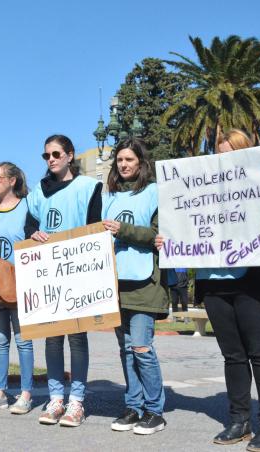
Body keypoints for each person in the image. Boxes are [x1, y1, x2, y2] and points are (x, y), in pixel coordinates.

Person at [156, 129, 260, 450]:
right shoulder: (198, 191)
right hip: (215, 286)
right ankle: (238, 422)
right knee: (233, 356)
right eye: (219, 154)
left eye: (231, 154)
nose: (224, 159)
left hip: (257, 285)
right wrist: (170, 242)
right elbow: (185, 225)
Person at [25, 134, 103, 427]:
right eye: (46, 156)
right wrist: (33, 232)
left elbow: (95, 227)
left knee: (77, 338)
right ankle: (56, 398)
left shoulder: (89, 187)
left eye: (56, 154)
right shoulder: (39, 191)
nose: (51, 160)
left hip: (78, 271)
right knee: (53, 338)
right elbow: (29, 222)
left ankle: (77, 401)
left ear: (70, 155)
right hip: (48, 273)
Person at [101, 138, 169, 435]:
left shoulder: (155, 193)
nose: (124, 165)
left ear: (141, 162)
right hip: (116, 282)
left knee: (142, 347)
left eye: (129, 159)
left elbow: (158, 235)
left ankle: (155, 411)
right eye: (119, 160)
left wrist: (122, 230)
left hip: (145, 282)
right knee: (126, 350)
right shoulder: (109, 197)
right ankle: (133, 406)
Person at [0, 162, 35, 415]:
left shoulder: (28, 208)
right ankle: (0, 392)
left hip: (21, 283)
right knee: (0, 340)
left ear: (13, 181)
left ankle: (25, 394)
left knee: (23, 341)